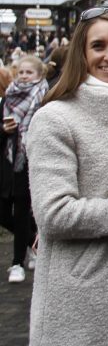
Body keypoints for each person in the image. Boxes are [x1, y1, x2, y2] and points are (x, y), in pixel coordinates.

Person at [25, 7, 108, 345]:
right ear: (81, 53)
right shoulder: (55, 119)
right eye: (99, 46)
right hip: (77, 302)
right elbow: (56, 215)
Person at [0, 55, 48, 283]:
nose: (24, 76)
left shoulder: (43, 98)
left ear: (39, 76)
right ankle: (34, 241)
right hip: (8, 161)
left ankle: (17, 262)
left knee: (21, 210)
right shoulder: (8, 96)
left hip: (30, 160)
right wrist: (5, 130)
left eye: (29, 73)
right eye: (21, 72)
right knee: (4, 211)